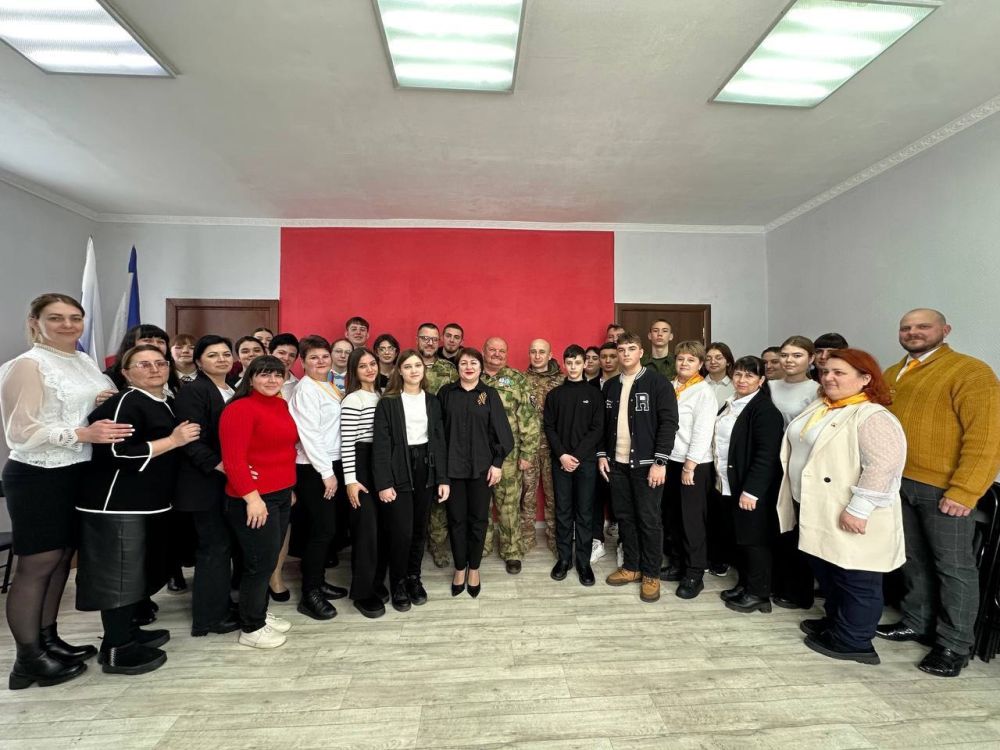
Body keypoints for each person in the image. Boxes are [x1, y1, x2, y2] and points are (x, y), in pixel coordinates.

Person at [1, 293, 123, 690]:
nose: (68, 325)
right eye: (56, 318)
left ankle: (48, 639)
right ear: (35, 322)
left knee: (61, 559)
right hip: (38, 474)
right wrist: (82, 433)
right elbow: (20, 430)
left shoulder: (83, 361)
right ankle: (27, 658)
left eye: (75, 317)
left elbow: (75, 408)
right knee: (38, 563)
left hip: (77, 471)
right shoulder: (28, 364)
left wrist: (100, 402)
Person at [877, 309, 1000, 677]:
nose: (913, 332)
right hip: (898, 482)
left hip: (943, 489)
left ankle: (954, 645)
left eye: (923, 326)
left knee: (954, 567)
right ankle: (916, 621)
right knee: (912, 559)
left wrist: (965, 490)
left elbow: (987, 436)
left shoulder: (970, 372)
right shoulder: (893, 372)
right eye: (906, 327)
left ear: (945, 330)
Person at [778, 348, 906, 665]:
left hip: (851, 511)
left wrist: (859, 509)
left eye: (839, 373)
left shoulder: (872, 416)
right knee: (830, 570)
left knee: (856, 576)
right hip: (817, 505)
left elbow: (883, 467)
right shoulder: (825, 406)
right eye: (826, 372)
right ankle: (837, 622)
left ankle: (855, 641)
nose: (829, 378)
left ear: (865, 379)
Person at [77, 344, 200, 674]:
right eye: (143, 365)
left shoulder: (164, 401)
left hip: (149, 502)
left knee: (134, 574)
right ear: (126, 372)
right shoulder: (126, 402)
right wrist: (173, 441)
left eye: (160, 363)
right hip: (118, 504)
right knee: (119, 577)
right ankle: (116, 648)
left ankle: (128, 632)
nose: (154, 369)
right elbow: (117, 453)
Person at [219, 355, 297, 649]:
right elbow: (234, 461)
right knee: (259, 563)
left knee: (269, 557)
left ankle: (259, 613)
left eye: (277, 375)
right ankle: (251, 628)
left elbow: (283, 450)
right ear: (250, 378)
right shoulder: (239, 409)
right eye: (264, 374)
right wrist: (252, 498)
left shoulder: (280, 405)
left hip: (280, 493)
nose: (272, 380)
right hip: (253, 499)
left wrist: (288, 488)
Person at [598, 332, 679, 603]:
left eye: (631, 349)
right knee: (625, 517)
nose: (625, 354)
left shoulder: (658, 383)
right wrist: (602, 455)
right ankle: (632, 567)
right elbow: (603, 426)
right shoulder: (611, 386)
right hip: (618, 464)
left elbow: (669, 423)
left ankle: (651, 574)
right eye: (621, 350)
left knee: (649, 520)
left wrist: (660, 461)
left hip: (647, 465)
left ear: (641, 352)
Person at [173, 335, 241, 639]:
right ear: (199, 361)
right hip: (204, 481)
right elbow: (190, 439)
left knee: (223, 547)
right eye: (213, 355)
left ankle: (221, 605)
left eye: (225, 354)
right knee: (213, 548)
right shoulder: (194, 391)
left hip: (227, 481)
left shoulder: (232, 388)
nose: (221, 359)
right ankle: (208, 618)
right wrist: (220, 465)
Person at [372, 349, 450, 610]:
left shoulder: (432, 401)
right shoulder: (388, 402)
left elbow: (439, 441)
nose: (414, 370)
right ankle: (398, 582)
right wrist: (384, 483)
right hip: (398, 469)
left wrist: (442, 478)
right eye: (408, 366)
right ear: (399, 371)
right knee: (401, 532)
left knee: (419, 529)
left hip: (425, 469)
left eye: (418, 365)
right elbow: (381, 446)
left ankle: (413, 577)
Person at [438, 348, 514, 597]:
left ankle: (474, 568)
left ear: (481, 368)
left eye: (473, 363)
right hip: (452, 470)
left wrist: (497, 463)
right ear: (457, 367)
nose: (468, 367)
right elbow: (438, 435)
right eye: (463, 363)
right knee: (456, 520)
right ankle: (460, 567)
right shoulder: (446, 393)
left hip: (482, 470)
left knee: (479, 520)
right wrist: (441, 474)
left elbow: (504, 434)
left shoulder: (489, 394)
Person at [714, 356, 784, 615]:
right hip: (728, 483)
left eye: (749, 376)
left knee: (755, 541)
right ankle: (744, 584)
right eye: (738, 374)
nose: (742, 380)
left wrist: (752, 491)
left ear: (761, 380)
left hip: (750, 489)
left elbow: (767, 455)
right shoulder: (732, 403)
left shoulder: (764, 410)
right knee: (740, 539)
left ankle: (759, 594)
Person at [287, 336, 348, 621]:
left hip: (331, 463)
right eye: (313, 357)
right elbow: (308, 434)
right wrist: (326, 473)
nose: (321, 361)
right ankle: (309, 594)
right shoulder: (306, 389)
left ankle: (319, 581)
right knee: (321, 530)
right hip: (314, 468)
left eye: (324, 356)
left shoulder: (328, 384)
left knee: (328, 529)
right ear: (303, 361)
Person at [661, 341, 717, 599]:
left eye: (691, 360)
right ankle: (677, 564)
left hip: (693, 464)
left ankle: (694, 573)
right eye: (681, 359)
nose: (684, 363)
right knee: (672, 517)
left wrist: (690, 465)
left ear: (700, 364)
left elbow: (703, 432)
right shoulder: (671, 386)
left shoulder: (704, 392)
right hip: (670, 460)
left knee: (691, 521)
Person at [543, 345, 603, 586]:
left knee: (585, 513)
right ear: (564, 364)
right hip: (561, 463)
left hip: (585, 463)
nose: (574, 367)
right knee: (563, 511)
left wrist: (576, 456)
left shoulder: (595, 394)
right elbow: (549, 427)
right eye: (569, 363)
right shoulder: (555, 395)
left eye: (578, 362)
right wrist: (562, 456)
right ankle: (564, 558)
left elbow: (597, 429)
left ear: (585, 364)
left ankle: (584, 562)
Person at [482, 336, 539, 574]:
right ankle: (481, 546)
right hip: (478, 454)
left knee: (508, 504)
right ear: (483, 351)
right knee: (480, 503)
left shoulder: (517, 379)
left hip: (509, 454)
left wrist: (527, 452)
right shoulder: (472, 375)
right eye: (492, 349)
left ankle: (512, 551)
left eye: (501, 351)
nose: (497, 354)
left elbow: (529, 417)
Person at [340, 347, 387, 618]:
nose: (370, 369)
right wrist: (350, 481)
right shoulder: (353, 399)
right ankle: (361, 592)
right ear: (354, 371)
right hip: (360, 466)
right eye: (362, 366)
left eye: (372, 364)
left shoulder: (379, 394)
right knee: (365, 532)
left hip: (378, 463)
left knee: (379, 530)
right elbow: (347, 443)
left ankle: (376, 582)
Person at [416, 323, 459, 569]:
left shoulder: (449, 370)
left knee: (440, 497)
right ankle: (414, 544)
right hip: (414, 441)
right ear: (418, 339)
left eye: (434, 339)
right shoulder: (409, 364)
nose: (430, 343)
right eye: (425, 338)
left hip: (441, 440)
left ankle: (438, 546)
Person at [522, 339, 564, 554]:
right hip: (528, 448)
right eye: (533, 352)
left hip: (553, 448)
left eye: (541, 352)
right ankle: (526, 538)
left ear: (550, 355)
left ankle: (555, 539)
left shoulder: (562, 381)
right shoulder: (521, 380)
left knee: (554, 495)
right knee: (526, 495)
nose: (537, 356)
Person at [591, 341, 621, 564]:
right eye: (604, 356)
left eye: (613, 356)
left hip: (620, 449)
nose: (608, 360)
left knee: (621, 498)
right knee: (594, 497)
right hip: (594, 449)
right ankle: (596, 540)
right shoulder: (590, 385)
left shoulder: (626, 383)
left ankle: (623, 544)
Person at [104, 324, 177, 392]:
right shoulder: (110, 378)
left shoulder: (172, 371)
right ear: (131, 344)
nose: (156, 345)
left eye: (161, 342)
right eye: (148, 341)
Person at [770, 336, 819, 426]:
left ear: (811, 358)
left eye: (797, 356)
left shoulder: (816, 390)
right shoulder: (769, 386)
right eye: (784, 355)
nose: (789, 360)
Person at [268, 333, 299, 401]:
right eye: (281, 353)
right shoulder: (257, 381)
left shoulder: (298, 386)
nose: (286, 358)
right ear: (270, 353)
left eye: (292, 355)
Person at [704, 342, 735, 409]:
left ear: (728, 362)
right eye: (708, 359)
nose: (713, 362)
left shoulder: (736, 386)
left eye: (718, 358)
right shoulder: (697, 384)